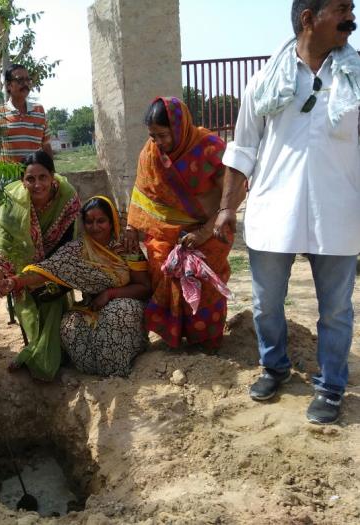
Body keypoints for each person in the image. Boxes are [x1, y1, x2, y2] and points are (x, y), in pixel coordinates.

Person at [213, 0, 360, 425]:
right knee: (265, 304)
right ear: (309, 19)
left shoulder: (355, 77)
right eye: (342, 8)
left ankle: (330, 386)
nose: (351, 17)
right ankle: (274, 366)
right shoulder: (265, 80)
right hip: (274, 209)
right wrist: (226, 208)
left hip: (337, 210)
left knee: (336, 310)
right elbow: (243, 148)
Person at [0, 196, 151, 377]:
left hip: (127, 304)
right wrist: (14, 281)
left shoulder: (127, 247)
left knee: (115, 314)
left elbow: (144, 287)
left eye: (101, 221)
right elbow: (48, 269)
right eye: (89, 222)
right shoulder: (77, 249)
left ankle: (117, 367)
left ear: (112, 221)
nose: (95, 227)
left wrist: (110, 294)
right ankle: (96, 368)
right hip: (91, 307)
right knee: (69, 326)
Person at [125, 97, 232, 350]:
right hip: (167, 233)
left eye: (163, 135)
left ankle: (206, 339)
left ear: (179, 127)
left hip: (210, 229)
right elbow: (142, 193)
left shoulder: (210, 148)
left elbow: (230, 194)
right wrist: (131, 226)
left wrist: (203, 233)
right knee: (164, 267)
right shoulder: (150, 154)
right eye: (153, 136)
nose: (158, 143)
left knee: (204, 280)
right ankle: (174, 336)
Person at [0, 150, 80, 381]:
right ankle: (39, 352)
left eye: (43, 177)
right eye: (30, 179)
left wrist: (37, 275)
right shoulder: (12, 200)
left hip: (55, 268)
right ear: (22, 181)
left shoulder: (67, 198)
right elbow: (2, 240)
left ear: (52, 176)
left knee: (53, 302)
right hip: (22, 267)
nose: (37, 185)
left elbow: (67, 246)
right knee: (31, 312)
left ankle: (38, 357)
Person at [0, 64, 53, 164]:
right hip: (9, 174)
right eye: (20, 80)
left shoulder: (39, 110)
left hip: (35, 173)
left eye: (28, 80)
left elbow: (46, 145)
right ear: (8, 85)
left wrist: (52, 171)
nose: (25, 84)